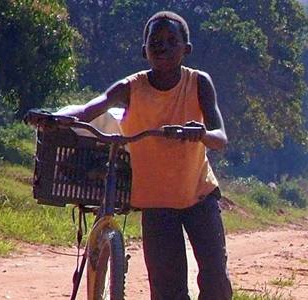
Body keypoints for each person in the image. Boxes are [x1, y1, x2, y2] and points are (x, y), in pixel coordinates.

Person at [53, 11, 232, 300]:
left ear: (186, 49)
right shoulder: (131, 87)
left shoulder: (199, 83)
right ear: (144, 50)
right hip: (156, 203)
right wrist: (52, 117)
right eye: (155, 41)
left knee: (216, 282)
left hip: (199, 195)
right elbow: (89, 111)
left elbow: (220, 139)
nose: (162, 47)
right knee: (167, 290)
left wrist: (199, 133)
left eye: (172, 41)